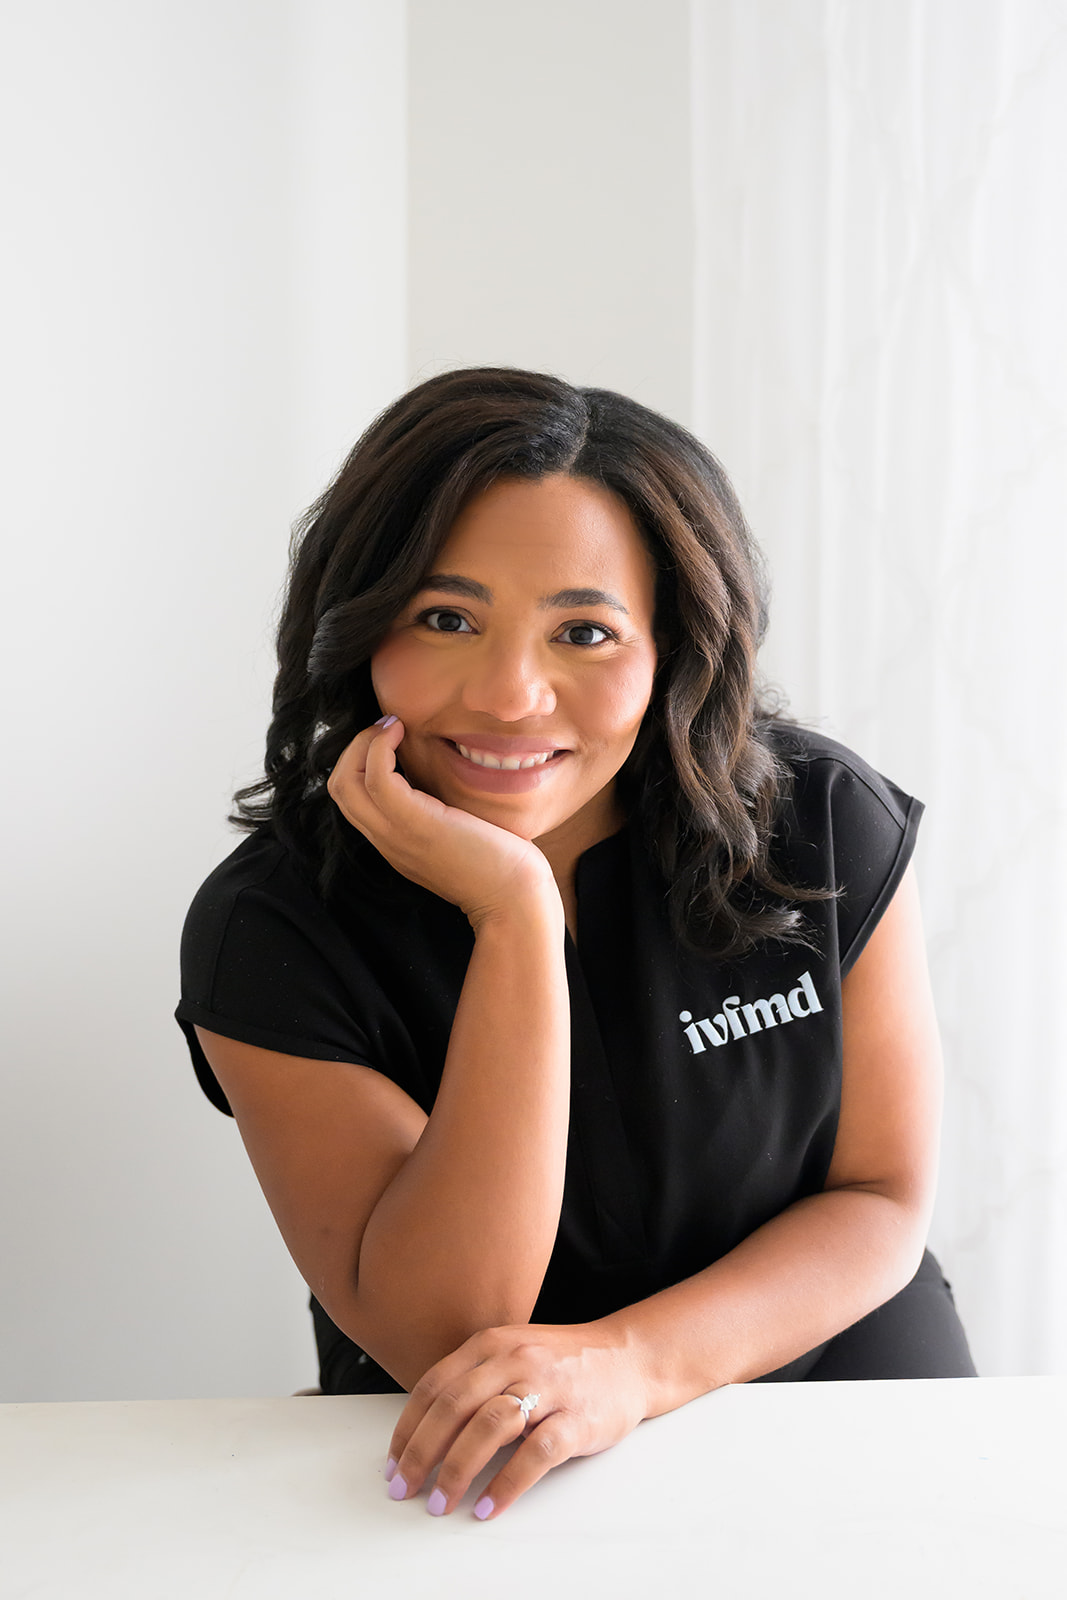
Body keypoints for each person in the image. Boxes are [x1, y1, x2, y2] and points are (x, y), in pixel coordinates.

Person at [176, 366, 975, 1522]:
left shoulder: (816, 821)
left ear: (670, 652)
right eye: (445, 617)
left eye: (584, 632)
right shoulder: (271, 926)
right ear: (362, 627)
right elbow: (445, 1328)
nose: (509, 695)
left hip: (832, 1385)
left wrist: (628, 1365)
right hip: (487, 1447)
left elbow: (880, 1198)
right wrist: (512, 920)